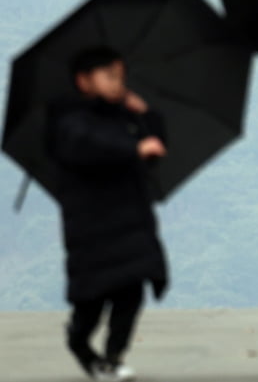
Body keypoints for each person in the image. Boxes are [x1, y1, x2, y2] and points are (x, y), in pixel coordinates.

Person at [51, 46, 169, 382]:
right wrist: (133, 148)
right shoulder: (68, 119)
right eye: (109, 76)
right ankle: (80, 342)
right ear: (83, 81)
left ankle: (114, 357)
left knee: (132, 291)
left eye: (121, 76)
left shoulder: (125, 116)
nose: (118, 83)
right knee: (92, 301)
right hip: (92, 227)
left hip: (132, 221)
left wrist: (145, 115)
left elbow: (156, 145)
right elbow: (88, 146)